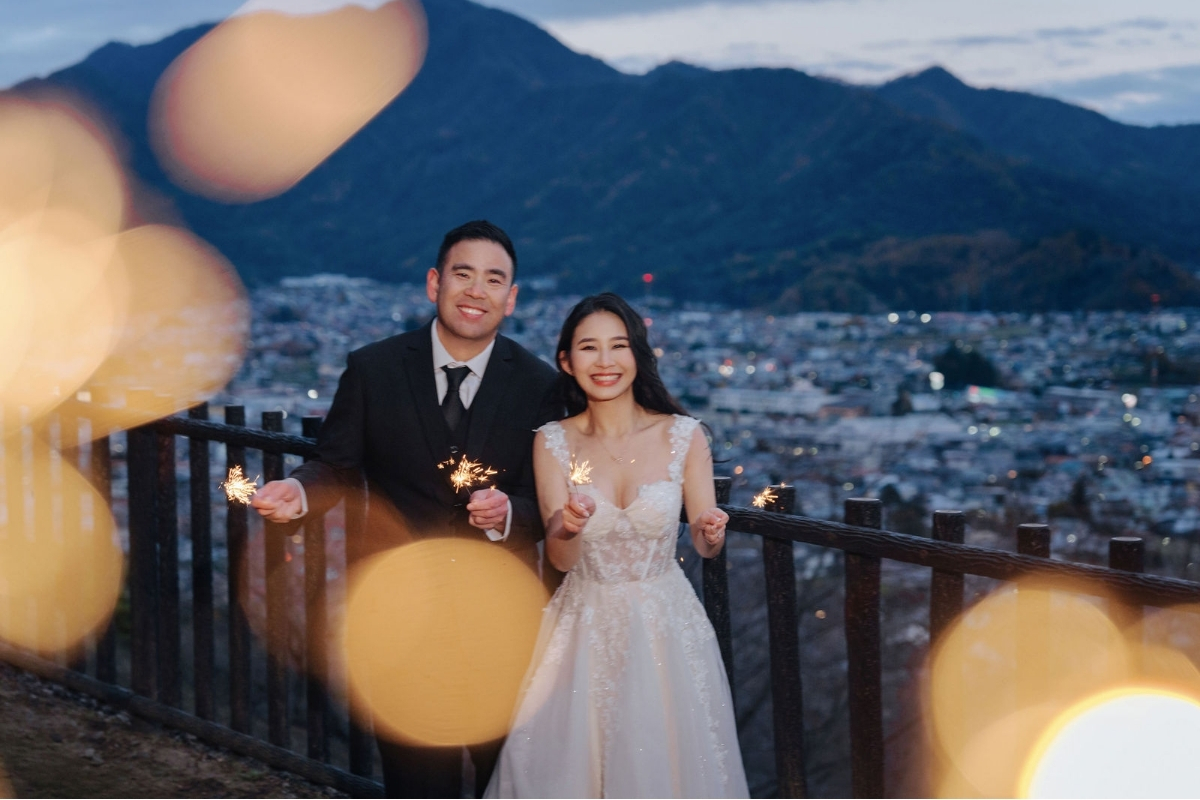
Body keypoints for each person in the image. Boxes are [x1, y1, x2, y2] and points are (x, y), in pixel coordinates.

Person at [251, 220, 560, 798]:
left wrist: (511, 514)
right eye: (462, 274)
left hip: (503, 621)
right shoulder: (374, 369)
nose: (477, 291)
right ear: (433, 283)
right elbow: (335, 466)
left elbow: (552, 504)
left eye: (495, 280)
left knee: (513, 778)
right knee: (416, 781)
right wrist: (298, 492)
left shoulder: (541, 386)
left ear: (512, 299)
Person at [486, 292, 749, 798]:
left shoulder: (685, 436)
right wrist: (568, 525)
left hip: (666, 626)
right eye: (588, 348)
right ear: (566, 360)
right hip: (583, 623)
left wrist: (710, 532)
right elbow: (561, 561)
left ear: (637, 355)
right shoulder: (552, 442)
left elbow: (702, 539)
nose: (605, 362)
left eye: (618, 346)